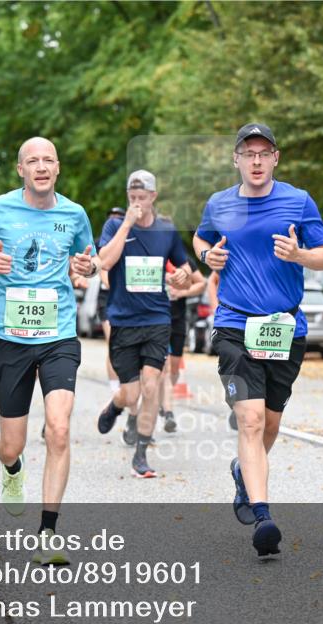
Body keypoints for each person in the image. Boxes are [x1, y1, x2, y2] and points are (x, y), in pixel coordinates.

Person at [0, 136, 99, 565]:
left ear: (57, 167)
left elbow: (87, 259)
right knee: (9, 446)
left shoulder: (74, 213)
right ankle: (12, 469)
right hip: (9, 338)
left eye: (48, 159)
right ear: (21, 170)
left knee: (59, 427)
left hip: (58, 335)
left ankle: (48, 531)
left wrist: (86, 267)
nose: (41, 166)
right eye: (32, 160)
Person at [193, 123, 323, 557]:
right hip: (235, 323)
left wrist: (299, 255)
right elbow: (202, 237)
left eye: (263, 153)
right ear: (236, 159)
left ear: (276, 158)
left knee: (269, 424)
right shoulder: (219, 203)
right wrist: (206, 255)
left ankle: (243, 470)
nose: (256, 160)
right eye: (247, 153)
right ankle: (263, 516)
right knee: (251, 420)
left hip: (285, 328)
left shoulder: (298, 200)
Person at [95, 170, 191, 478]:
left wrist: (181, 276)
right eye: (131, 197)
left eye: (142, 197)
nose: (136, 202)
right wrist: (126, 223)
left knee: (151, 386)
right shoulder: (114, 225)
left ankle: (141, 454)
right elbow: (105, 262)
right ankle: (115, 405)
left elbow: (186, 268)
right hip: (123, 320)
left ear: (153, 197)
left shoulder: (166, 230)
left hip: (157, 319)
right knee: (130, 393)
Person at [159, 260, 206, 432]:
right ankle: (169, 411)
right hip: (156, 321)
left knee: (174, 370)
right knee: (163, 367)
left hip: (178, 320)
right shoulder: (153, 254)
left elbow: (201, 283)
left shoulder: (183, 261)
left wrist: (182, 292)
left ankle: (163, 400)